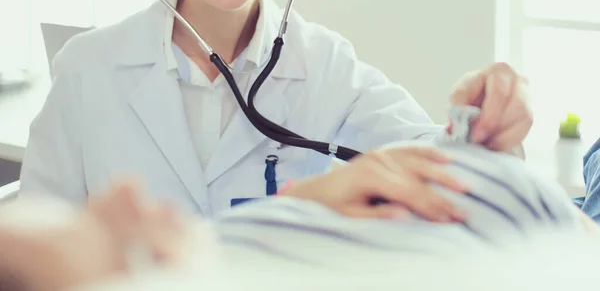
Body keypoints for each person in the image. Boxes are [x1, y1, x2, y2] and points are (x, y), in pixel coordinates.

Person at [19, 0, 532, 217]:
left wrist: (484, 122)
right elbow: (35, 237)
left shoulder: (325, 65)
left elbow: (445, 170)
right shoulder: (89, 67)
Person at [1, 139, 596, 291]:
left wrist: (303, 201)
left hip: (512, 197)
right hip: (549, 220)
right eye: (102, 234)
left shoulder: (197, 249)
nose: (121, 194)